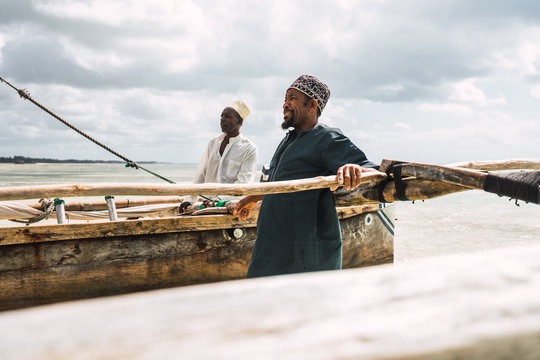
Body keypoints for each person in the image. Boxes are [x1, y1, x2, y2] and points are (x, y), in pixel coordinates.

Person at [233, 75, 378, 278]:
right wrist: (255, 197)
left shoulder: (327, 138)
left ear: (311, 105)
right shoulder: (288, 140)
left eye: (292, 98)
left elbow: (373, 171)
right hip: (270, 247)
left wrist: (353, 168)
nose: (285, 104)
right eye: (285, 99)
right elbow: (283, 184)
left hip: (307, 253)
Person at [179, 100, 258, 212]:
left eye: (228, 116)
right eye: (221, 115)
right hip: (207, 204)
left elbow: (243, 185)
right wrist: (190, 199)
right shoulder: (213, 144)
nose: (222, 119)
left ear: (240, 121)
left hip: (231, 206)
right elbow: (200, 176)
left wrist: (218, 200)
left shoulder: (249, 148)